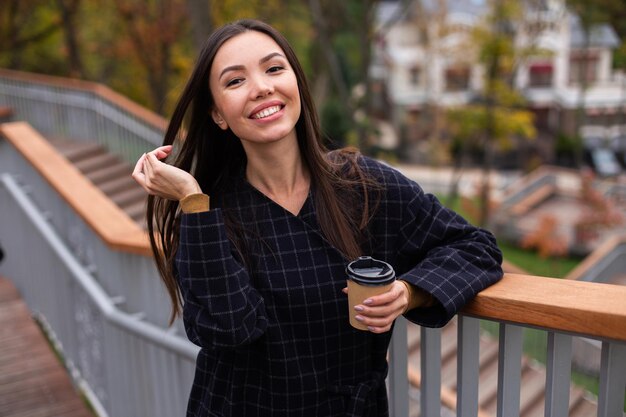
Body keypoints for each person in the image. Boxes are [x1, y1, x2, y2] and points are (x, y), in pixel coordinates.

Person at [132, 18, 503, 417]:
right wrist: (191, 199)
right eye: (235, 81)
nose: (262, 88)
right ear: (219, 115)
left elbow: (476, 247)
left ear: (297, 86)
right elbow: (227, 329)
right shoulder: (210, 212)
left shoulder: (364, 186)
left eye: (274, 69)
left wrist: (410, 293)